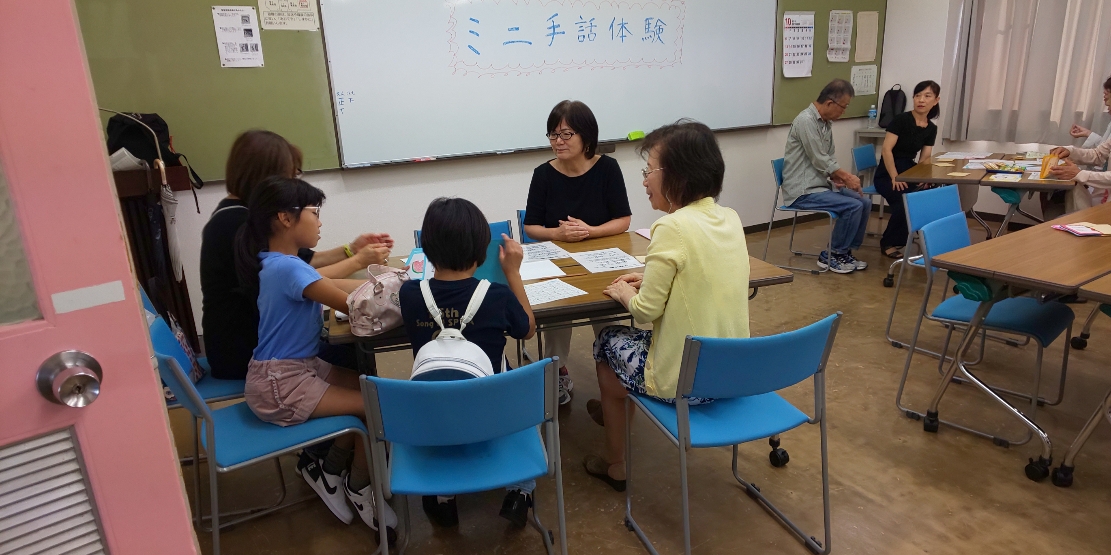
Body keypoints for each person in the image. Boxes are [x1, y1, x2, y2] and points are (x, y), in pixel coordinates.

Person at [582, 120, 750, 491]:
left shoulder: (671, 228)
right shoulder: (730, 218)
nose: (644, 181)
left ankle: (616, 462)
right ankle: (615, 408)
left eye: (649, 171)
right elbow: (700, 276)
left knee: (606, 341)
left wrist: (623, 292)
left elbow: (644, 312)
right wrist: (654, 279)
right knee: (616, 353)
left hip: (688, 381)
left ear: (677, 175)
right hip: (731, 372)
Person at [235, 176, 396, 543]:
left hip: (291, 370)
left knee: (371, 389)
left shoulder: (279, 262)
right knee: (375, 407)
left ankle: (331, 470)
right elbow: (356, 306)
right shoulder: (289, 268)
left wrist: (392, 281)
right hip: (281, 383)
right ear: (285, 218)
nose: (320, 222)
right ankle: (360, 486)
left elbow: (342, 286)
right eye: (314, 213)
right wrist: (403, 292)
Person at [200, 130, 392, 379]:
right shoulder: (236, 224)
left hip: (268, 347)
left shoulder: (248, 217)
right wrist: (361, 264)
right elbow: (305, 278)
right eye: (290, 175)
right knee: (351, 353)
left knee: (350, 350)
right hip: (247, 351)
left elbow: (306, 265)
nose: (293, 183)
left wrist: (352, 251)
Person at [398, 197, 538, 529]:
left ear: (427, 250)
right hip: (493, 412)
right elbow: (527, 330)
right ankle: (520, 491)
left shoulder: (410, 295)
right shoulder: (497, 296)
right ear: (480, 251)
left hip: (432, 413)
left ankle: (443, 497)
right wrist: (512, 272)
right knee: (519, 394)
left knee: (446, 401)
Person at [523, 100, 632, 405]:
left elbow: (623, 219)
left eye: (566, 134)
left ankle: (615, 370)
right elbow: (531, 226)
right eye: (553, 134)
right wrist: (557, 234)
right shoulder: (543, 174)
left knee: (608, 311)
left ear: (586, 135)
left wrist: (590, 231)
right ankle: (556, 370)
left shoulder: (607, 168)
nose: (558, 141)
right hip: (556, 260)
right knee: (557, 315)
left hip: (601, 258)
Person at [782, 79, 872, 274]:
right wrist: (846, 177)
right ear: (830, 103)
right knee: (853, 206)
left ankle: (845, 252)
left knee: (864, 203)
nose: (844, 112)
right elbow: (819, 159)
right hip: (802, 191)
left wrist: (835, 177)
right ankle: (832, 255)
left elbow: (828, 158)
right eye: (844, 107)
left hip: (820, 186)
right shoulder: (806, 121)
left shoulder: (825, 124)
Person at [873, 80, 941, 258]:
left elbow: (924, 158)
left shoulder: (931, 128)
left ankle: (929, 237)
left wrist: (923, 178)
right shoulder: (901, 120)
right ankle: (889, 242)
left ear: (936, 100)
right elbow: (886, 150)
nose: (921, 100)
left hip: (909, 170)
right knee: (905, 201)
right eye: (918, 95)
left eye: (927, 96)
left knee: (929, 194)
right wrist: (894, 177)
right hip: (888, 172)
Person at [1045, 75, 1111, 215]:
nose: (1106, 104)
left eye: (1107, 96)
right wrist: (1070, 151)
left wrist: (1080, 174)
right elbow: (1098, 154)